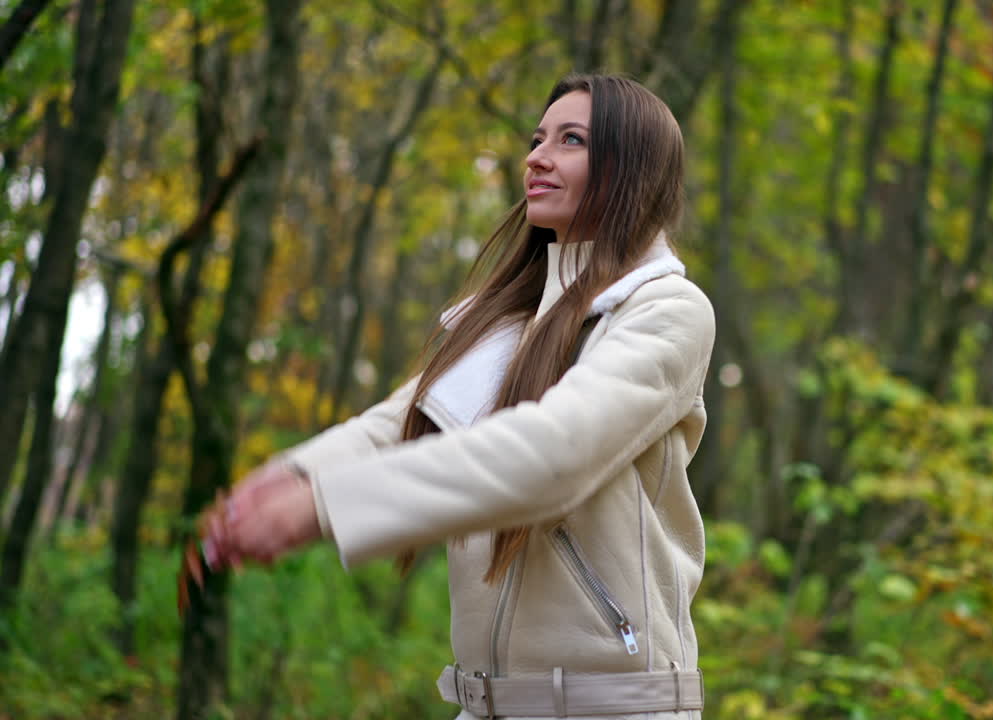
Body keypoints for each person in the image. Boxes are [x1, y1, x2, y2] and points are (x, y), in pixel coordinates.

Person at [204, 73, 715, 719]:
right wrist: (285, 480)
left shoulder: (665, 310)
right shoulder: (505, 321)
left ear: (631, 167)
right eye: (537, 138)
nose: (536, 156)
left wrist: (324, 507)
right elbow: (398, 424)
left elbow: (554, 455)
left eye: (571, 140)